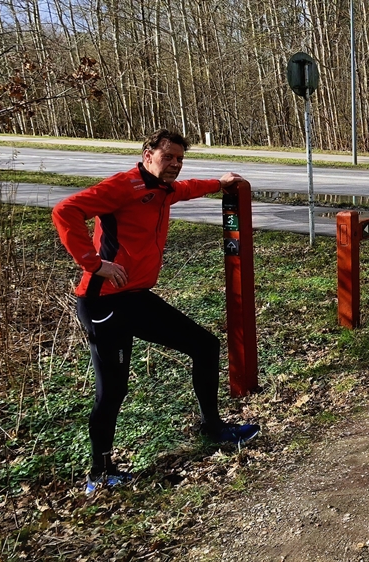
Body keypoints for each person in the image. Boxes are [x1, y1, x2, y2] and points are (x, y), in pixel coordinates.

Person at [52, 129, 260, 495]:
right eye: (169, 158)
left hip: (136, 298)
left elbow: (189, 187)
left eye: (180, 159)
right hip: (104, 303)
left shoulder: (164, 190)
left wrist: (220, 182)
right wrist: (93, 262)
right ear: (149, 154)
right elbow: (65, 210)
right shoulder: (123, 186)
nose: (176, 166)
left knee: (204, 345)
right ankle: (99, 472)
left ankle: (213, 428)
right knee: (112, 391)